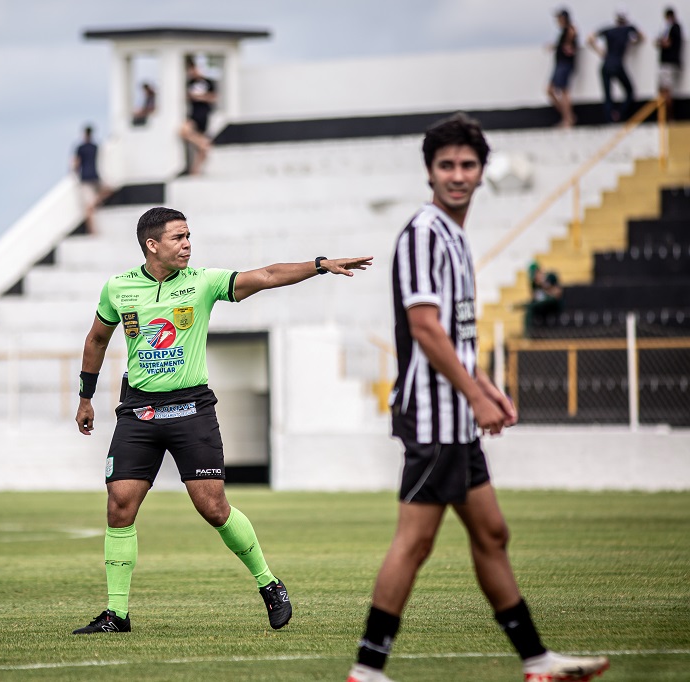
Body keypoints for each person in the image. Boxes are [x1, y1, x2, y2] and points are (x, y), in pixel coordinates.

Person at [345, 114, 610, 682]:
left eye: (468, 164)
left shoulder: (456, 236)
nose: (458, 175)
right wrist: (476, 395)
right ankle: (367, 671)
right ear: (429, 173)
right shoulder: (424, 233)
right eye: (447, 165)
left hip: (457, 416)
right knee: (414, 543)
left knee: (492, 534)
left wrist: (487, 387)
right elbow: (425, 329)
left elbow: (458, 335)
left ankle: (537, 662)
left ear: (483, 172)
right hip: (434, 416)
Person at [72, 206, 373, 635]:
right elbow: (97, 339)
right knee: (119, 507)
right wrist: (85, 397)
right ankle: (116, 614)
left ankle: (269, 584)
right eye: (178, 237)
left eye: (189, 235)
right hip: (138, 411)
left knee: (212, 507)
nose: (188, 244)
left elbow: (266, 275)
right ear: (151, 245)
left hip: (192, 408)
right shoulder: (118, 288)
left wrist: (320, 265)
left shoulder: (204, 282)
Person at [587, 8, 644, 123]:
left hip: (606, 65)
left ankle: (610, 119)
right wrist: (633, 42)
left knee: (608, 96)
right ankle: (621, 114)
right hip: (617, 65)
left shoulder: (609, 30)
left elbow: (590, 38)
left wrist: (600, 51)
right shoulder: (628, 29)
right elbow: (642, 36)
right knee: (629, 91)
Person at [179, 56, 217, 175]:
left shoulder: (209, 82)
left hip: (204, 117)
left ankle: (195, 171)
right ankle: (202, 142)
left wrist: (198, 97)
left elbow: (213, 97)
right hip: (193, 116)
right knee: (184, 131)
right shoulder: (189, 83)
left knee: (203, 151)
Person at [73, 125, 111, 234]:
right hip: (95, 176)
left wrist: (74, 172)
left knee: (88, 208)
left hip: (86, 178)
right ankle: (97, 201)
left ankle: (92, 231)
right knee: (108, 190)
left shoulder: (80, 148)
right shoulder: (95, 146)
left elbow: (76, 163)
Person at [547, 8, 578, 127]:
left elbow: (569, 45)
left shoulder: (570, 29)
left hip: (565, 64)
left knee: (564, 91)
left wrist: (568, 45)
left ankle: (568, 119)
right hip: (560, 64)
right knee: (550, 90)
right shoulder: (563, 31)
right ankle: (568, 117)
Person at [655, 7, 683, 120]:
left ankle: (668, 116)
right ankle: (664, 115)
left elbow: (667, 43)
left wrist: (660, 41)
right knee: (662, 90)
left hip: (669, 64)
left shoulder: (674, 28)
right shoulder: (672, 28)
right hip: (667, 64)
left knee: (666, 91)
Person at [526, 261, 564, 333]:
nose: (535, 279)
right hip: (542, 306)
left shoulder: (551, 277)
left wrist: (544, 285)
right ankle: (529, 335)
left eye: (536, 275)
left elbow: (558, 293)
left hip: (553, 304)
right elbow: (535, 297)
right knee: (530, 307)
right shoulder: (534, 284)